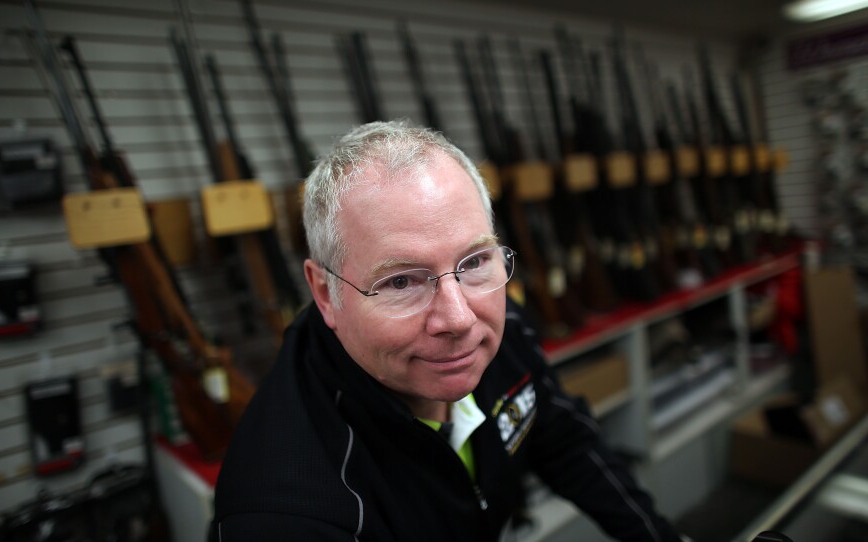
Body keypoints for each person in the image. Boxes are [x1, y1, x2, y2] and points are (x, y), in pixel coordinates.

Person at [210, 120, 682, 541]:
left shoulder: (503, 326)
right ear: (326, 293)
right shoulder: (285, 511)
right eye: (400, 281)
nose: (459, 320)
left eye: (474, 261)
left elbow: (563, 440)